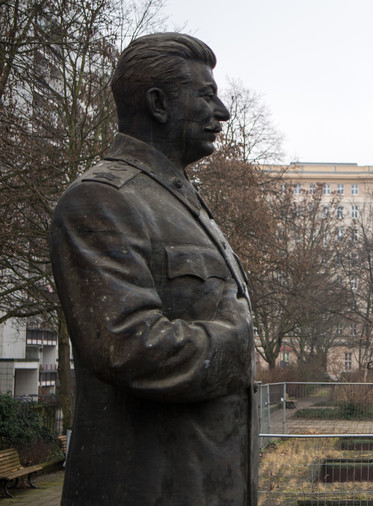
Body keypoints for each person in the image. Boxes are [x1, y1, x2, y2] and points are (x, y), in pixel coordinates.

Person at [49, 33, 256, 505]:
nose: (222, 112)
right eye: (206, 96)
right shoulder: (103, 199)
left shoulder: (177, 201)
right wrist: (235, 343)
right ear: (159, 104)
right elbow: (127, 346)